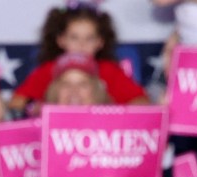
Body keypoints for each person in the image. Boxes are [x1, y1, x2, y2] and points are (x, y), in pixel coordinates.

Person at [9, 0, 148, 115]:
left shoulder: (109, 71)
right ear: (61, 40)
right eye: (74, 38)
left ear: (100, 42)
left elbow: (142, 103)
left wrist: (111, 111)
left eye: (89, 38)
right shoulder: (49, 69)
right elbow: (16, 102)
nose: (81, 45)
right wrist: (38, 108)